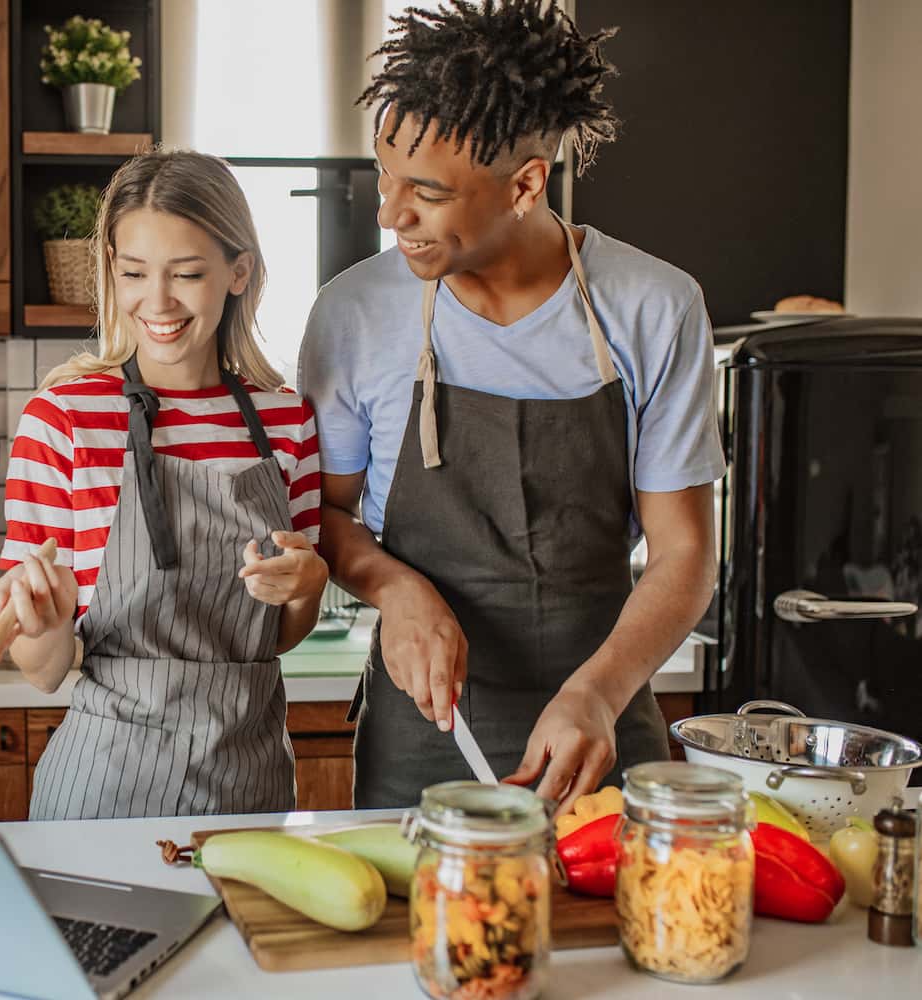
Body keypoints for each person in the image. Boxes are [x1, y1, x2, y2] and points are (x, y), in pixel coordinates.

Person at [299, 0, 722, 813]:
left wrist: (598, 692)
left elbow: (684, 556)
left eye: (425, 191)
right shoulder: (352, 314)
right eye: (387, 176)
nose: (391, 214)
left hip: (601, 718)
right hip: (425, 731)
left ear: (525, 184)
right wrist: (395, 590)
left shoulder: (653, 306)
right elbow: (327, 516)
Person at [0, 150, 327, 821]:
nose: (159, 301)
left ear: (240, 272)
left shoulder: (287, 421)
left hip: (250, 787)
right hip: (103, 789)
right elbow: (41, 669)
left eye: (187, 274)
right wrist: (46, 620)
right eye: (135, 273)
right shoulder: (63, 418)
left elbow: (281, 636)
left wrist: (307, 584)